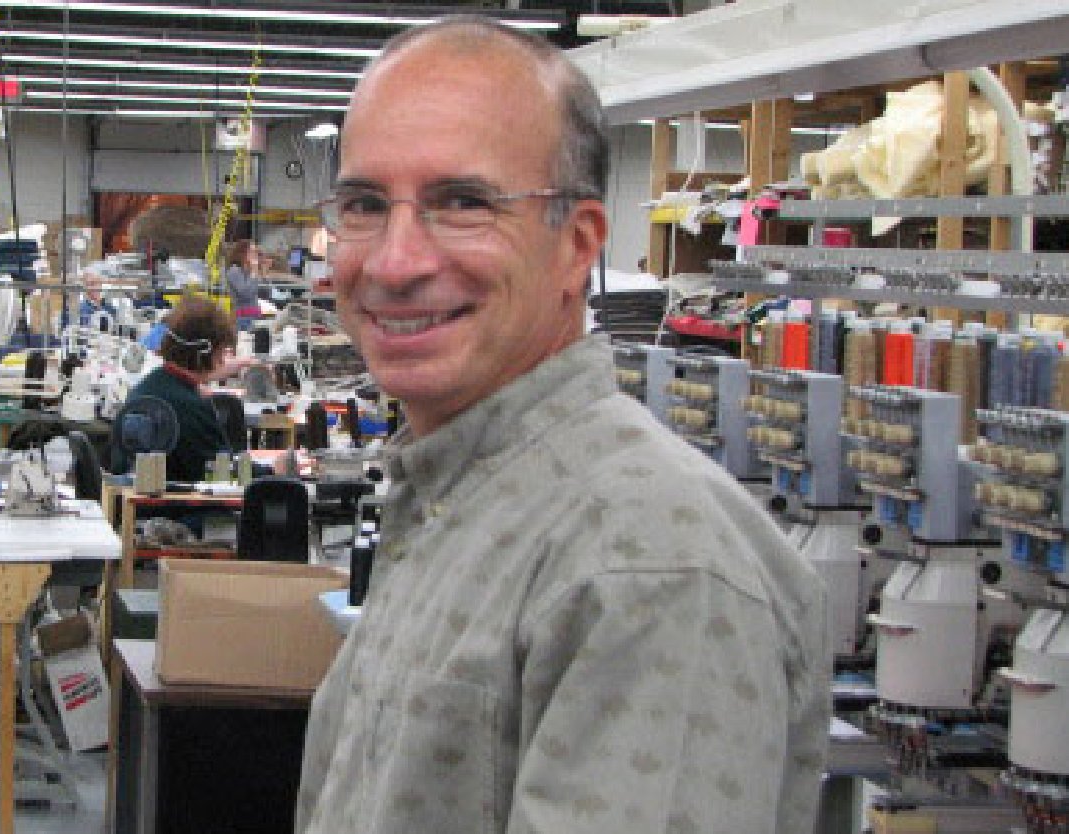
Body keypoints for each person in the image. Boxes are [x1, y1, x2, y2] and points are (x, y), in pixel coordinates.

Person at [295, 16, 828, 834]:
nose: (394, 262)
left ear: (577, 245)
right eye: (365, 204)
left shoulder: (644, 563)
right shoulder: (454, 499)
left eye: (463, 203)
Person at [110, 295, 248, 482]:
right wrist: (272, 470)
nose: (222, 362)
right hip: (180, 499)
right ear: (203, 353)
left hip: (138, 496)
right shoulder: (190, 406)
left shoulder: (146, 388)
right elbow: (224, 474)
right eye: (220, 353)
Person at [222, 239, 265, 330]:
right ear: (242, 253)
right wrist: (254, 273)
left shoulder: (249, 271)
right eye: (252, 251)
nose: (255, 254)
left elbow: (257, 291)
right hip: (243, 318)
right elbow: (245, 293)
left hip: (254, 315)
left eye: (256, 251)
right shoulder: (234, 270)